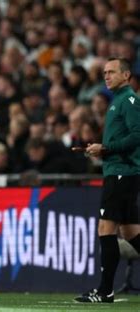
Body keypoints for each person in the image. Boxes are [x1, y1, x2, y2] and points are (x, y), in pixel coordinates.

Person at [75, 58, 140, 303]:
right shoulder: (119, 101)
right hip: (120, 171)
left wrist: (106, 149)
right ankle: (105, 290)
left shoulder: (129, 100)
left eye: (112, 72)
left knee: (106, 228)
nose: (106, 76)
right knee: (131, 232)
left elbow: (138, 135)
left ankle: (105, 291)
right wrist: (101, 149)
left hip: (122, 172)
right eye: (104, 72)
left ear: (126, 75)